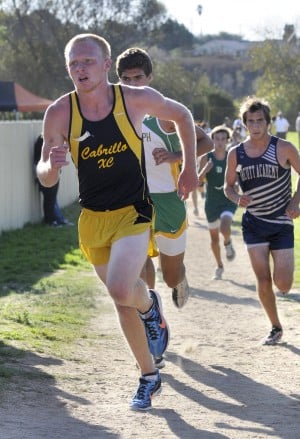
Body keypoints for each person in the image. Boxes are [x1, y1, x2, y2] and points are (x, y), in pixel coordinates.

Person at [36, 33, 198, 411]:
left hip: (133, 210)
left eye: (88, 61)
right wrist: (51, 166)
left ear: (106, 65)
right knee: (122, 299)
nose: (80, 69)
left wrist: (189, 168)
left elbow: (184, 116)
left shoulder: (134, 98)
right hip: (92, 216)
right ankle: (149, 376)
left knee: (122, 287)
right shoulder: (60, 112)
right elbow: (44, 173)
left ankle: (151, 309)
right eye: (74, 64)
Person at [115, 47, 213, 313]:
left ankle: (179, 279)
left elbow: (207, 141)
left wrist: (177, 156)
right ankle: (150, 314)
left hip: (168, 202)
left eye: (137, 78)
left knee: (170, 276)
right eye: (126, 79)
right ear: (119, 80)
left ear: (149, 78)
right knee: (139, 263)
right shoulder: (115, 113)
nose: (132, 84)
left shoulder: (164, 114)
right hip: (133, 202)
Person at [224, 96, 300, 345]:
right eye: (250, 121)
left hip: (281, 222)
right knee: (263, 279)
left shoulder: (284, 148)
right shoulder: (236, 153)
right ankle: (275, 326)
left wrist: (295, 201)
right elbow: (228, 187)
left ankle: (281, 297)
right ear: (244, 123)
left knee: (284, 284)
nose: (255, 126)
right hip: (254, 223)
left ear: (268, 122)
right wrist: (237, 198)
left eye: (260, 121)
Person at [198, 125, 237, 280]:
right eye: (216, 139)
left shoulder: (232, 157)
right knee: (214, 239)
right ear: (212, 140)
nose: (220, 142)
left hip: (228, 199)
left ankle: (227, 242)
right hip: (211, 201)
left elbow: (238, 178)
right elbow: (198, 183)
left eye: (223, 139)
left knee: (225, 225)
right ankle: (219, 266)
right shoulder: (206, 158)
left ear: (227, 141)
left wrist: (239, 186)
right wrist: (205, 170)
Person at [33, 134, 71, 227]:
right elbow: (39, 160)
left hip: (53, 173)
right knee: (49, 198)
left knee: (52, 198)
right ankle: (49, 221)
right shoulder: (43, 140)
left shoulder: (48, 140)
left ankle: (57, 219)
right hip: (46, 175)